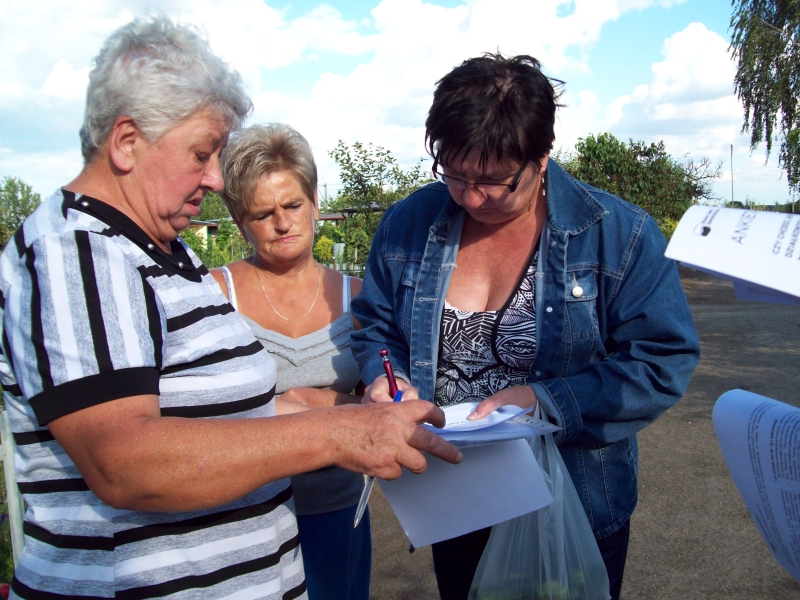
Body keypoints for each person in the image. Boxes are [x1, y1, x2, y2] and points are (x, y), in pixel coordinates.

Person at [0, 16, 461, 598]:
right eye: (201, 153)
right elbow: (124, 461)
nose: (216, 179)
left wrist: (353, 416)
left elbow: (227, 413)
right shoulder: (76, 254)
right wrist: (334, 435)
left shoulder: (164, 252)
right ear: (126, 142)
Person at [350, 53, 700, 600]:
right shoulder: (409, 223)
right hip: (452, 498)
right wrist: (384, 378)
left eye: (494, 181)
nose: (471, 197)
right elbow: (376, 326)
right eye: (454, 174)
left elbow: (661, 360)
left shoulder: (618, 235)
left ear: (541, 157)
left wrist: (548, 401)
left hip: (575, 502)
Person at [209, 123, 371, 600]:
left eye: (293, 205)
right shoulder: (215, 295)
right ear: (241, 220)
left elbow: (383, 407)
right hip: (243, 518)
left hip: (338, 514)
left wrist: (322, 401)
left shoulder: (359, 299)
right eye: (263, 213)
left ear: (315, 202)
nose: (283, 223)